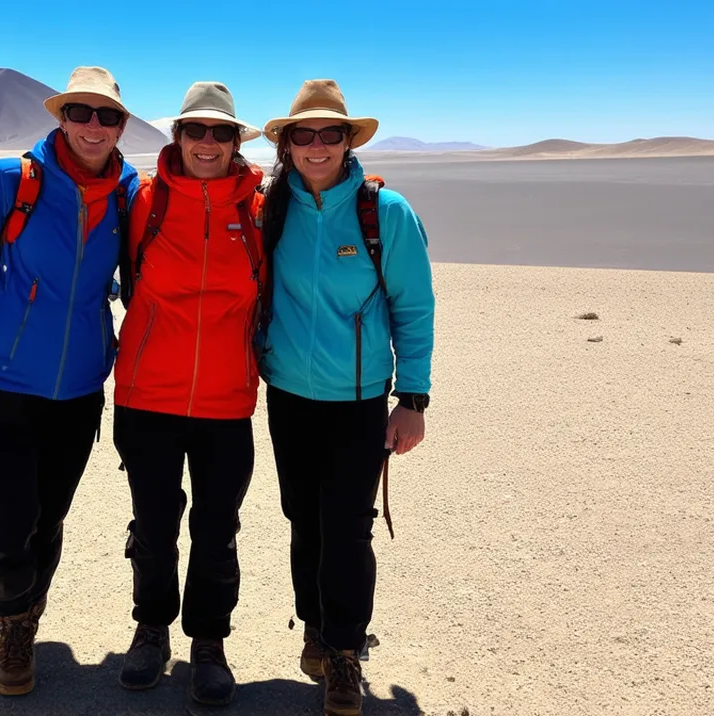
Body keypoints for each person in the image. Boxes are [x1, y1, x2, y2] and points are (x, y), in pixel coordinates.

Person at [0, 66, 142, 697]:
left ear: (121, 126)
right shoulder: (11, 179)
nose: (93, 126)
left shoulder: (130, 192)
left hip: (80, 385)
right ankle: (9, 617)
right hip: (8, 378)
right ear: (61, 118)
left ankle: (24, 617)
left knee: (48, 515)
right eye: (81, 112)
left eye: (107, 116)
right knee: (9, 514)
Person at [256, 79, 435, 716]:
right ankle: (315, 625)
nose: (317, 144)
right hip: (287, 394)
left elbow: (414, 306)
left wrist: (413, 398)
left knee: (349, 527)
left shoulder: (384, 213)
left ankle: (344, 651)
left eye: (330, 133)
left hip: (358, 400)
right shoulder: (272, 207)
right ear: (286, 144)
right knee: (303, 518)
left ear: (348, 141)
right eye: (303, 134)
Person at [111, 81, 265, 706]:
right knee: (154, 522)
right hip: (147, 395)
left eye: (220, 132)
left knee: (216, 527)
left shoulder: (260, 208)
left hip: (227, 400)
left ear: (235, 141)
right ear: (176, 136)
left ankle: (209, 641)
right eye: (195, 130)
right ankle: (151, 629)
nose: (207, 142)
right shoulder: (143, 201)